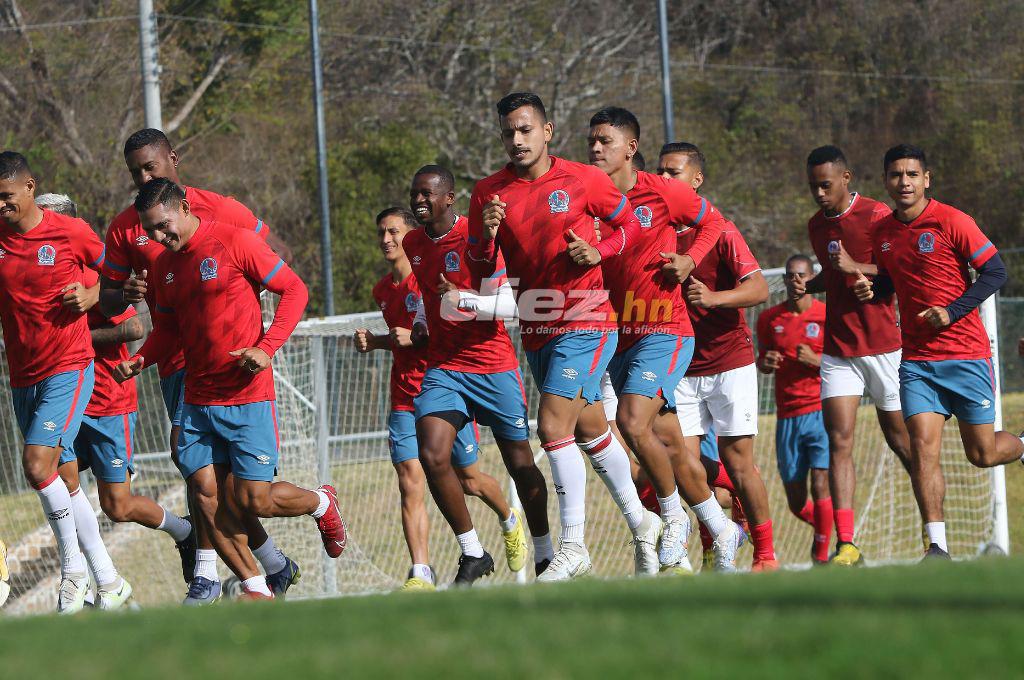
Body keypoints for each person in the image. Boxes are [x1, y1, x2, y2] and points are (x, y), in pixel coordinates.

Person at [114, 179, 347, 599]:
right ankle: (255, 585)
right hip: (197, 398)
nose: (159, 237)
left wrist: (266, 347)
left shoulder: (234, 241)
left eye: (165, 226)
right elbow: (168, 329)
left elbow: (295, 290)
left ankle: (321, 503)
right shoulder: (165, 266)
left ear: (184, 207)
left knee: (252, 500)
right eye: (151, 232)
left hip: (246, 395)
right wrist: (141, 358)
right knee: (205, 495)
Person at [99, 129, 298, 603]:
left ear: (174, 159)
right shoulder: (128, 226)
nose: (143, 177)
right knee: (201, 478)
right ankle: (238, 573)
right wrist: (121, 298)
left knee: (238, 490)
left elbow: (279, 265)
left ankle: (239, 568)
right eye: (135, 173)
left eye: (150, 167)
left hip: (233, 364)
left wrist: (260, 333)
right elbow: (106, 298)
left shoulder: (222, 210)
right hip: (177, 364)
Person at [468, 92, 656, 581]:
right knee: (592, 429)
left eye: (526, 129)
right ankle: (643, 522)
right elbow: (481, 268)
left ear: (547, 131)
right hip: (538, 327)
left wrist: (600, 251)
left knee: (553, 428)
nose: (517, 139)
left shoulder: (582, 179)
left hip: (587, 319)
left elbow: (630, 226)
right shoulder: (489, 192)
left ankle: (574, 547)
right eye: (509, 132)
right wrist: (483, 236)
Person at [587, 107, 745, 574]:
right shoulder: (584, 196)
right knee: (673, 446)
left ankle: (672, 518)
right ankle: (721, 529)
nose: (595, 148)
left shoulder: (662, 192)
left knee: (632, 422)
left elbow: (713, 222)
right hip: (620, 337)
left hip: (666, 330)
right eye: (591, 140)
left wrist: (691, 259)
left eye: (605, 141)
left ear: (630, 148)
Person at [854, 144, 1024, 559]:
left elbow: (995, 271)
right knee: (922, 446)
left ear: (926, 179)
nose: (904, 182)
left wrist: (952, 312)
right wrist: (870, 289)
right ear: (886, 181)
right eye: (896, 175)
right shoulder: (883, 233)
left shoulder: (952, 220)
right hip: (917, 361)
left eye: (912, 174)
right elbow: (892, 282)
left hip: (966, 354)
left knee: (982, 453)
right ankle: (936, 546)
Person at [355, 205, 534, 589]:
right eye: (381, 233)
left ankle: (508, 518)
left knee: (469, 480)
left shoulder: (439, 272)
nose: (386, 240)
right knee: (410, 479)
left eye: (394, 232)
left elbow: (438, 331)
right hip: (407, 398)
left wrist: (400, 338)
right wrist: (381, 342)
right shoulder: (382, 290)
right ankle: (421, 570)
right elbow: (411, 332)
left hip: (452, 384)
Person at [38, 192, 195, 604]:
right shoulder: (41, 274)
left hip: (109, 399)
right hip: (68, 397)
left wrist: (75, 338)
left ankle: (184, 531)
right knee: (55, 474)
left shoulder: (97, 274)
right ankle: (93, 580)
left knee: (118, 505)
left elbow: (133, 330)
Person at [400, 165, 550, 586]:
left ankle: (545, 553)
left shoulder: (479, 240)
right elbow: (428, 294)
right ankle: (472, 551)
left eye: (427, 194)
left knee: (520, 464)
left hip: (493, 366)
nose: (419, 202)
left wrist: (462, 300)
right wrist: (420, 320)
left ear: (450, 198)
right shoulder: (414, 243)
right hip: (445, 370)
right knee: (431, 455)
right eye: (415, 194)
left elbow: (512, 306)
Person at [657, 142, 779, 571]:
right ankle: (714, 548)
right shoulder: (653, 228)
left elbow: (760, 289)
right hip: (680, 368)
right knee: (682, 463)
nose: (664, 180)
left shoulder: (720, 230)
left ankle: (765, 555)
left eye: (673, 172)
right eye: (660, 172)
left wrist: (713, 297)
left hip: (730, 363)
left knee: (739, 461)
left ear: (696, 180)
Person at [795, 144, 914, 567]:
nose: (819, 194)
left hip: (884, 347)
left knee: (902, 441)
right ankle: (848, 543)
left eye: (825, 185)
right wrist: (810, 287)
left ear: (846, 179)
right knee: (839, 441)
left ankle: (933, 532)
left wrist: (859, 270)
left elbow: (903, 269)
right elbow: (833, 275)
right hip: (839, 350)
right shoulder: (816, 225)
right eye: (813, 186)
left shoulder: (879, 216)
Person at [0, 152, 103, 612]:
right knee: (62, 476)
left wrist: (92, 292)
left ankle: (73, 571)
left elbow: (115, 272)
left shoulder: (69, 231)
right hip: (23, 375)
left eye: (5, 198)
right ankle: (110, 578)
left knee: (37, 464)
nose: (0, 206)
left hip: (70, 364)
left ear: (29, 188)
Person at [756, 254, 832, 564]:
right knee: (796, 503)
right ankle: (829, 530)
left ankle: (823, 557)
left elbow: (847, 367)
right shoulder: (769, 319)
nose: (795, 281)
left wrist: (816, 361)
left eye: (801, 275)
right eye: (790, 275)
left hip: (821, 411)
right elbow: (762, 361)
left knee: (821, 483)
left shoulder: (828, 316)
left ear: (812, 278)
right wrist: (766, 363)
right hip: (786, 416)